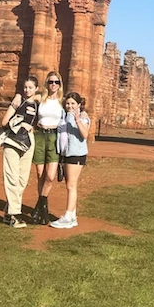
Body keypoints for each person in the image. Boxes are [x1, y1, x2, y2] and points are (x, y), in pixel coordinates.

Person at [1, 75, 39, 228]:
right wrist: (19, 123)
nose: (27, 90)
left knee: (22, 179)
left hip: (29, 140)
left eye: (30, 87)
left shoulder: (38, 104)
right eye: (25, 87)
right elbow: (4, 122)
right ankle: (15, 215)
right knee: (12, 176)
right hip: (13, 139)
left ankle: (8, 212)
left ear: (36, 89)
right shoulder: (18, 101)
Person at [50, 92, 90, 229]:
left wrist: (78, 119)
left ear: (79, 104)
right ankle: (72, 216)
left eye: (73, 103)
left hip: (77, 154)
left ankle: (68, 216)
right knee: (70, 184)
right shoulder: (64, 115)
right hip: (67, 153)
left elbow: (85, 135)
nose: (70, 106)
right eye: (68, 103)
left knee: (71, 186)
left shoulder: (83, 117)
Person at [31, 70, 64, 224]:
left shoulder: (62, 101)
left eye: (56, 82)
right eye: (51, 82)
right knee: (40, 175)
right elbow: (25, 101)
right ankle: (43, 208)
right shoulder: (39, 98)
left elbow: (76, 109)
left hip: (54, 137)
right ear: (46, 83)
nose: (53, 85)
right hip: (40, 135)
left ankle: (39, 206)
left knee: (50, 177)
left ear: (60, 84)